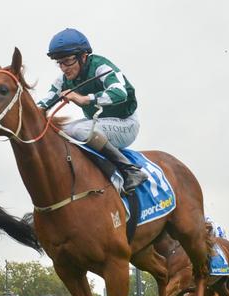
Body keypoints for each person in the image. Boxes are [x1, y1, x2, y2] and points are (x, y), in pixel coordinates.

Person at [37, 28, 147, 194]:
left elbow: (120, 93)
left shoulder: (101, 67)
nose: (64, 68)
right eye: (59, 63)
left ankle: (131, 170)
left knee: (81, 130)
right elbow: (43, 103)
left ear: (83, 57)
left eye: (67, 61)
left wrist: (84, 99)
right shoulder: (62, 80)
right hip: (99, 124)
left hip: (126, 124)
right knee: (59, 131)